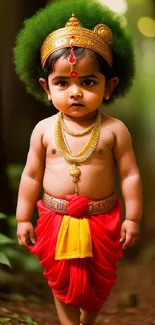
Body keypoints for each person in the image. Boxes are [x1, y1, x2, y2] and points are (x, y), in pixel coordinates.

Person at [14, 0, 142, 324]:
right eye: (63, 83)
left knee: (98, 281)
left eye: (87, 82)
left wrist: (133, 218)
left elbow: (129, 175)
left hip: (102, 220)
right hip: (55, 217)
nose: (75, 92)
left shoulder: (114, 131)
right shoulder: (43, 130)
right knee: (61, 278)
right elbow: (30, 175)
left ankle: (88, 320)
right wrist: (23, 218)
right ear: (46, 88)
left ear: (109, 87)